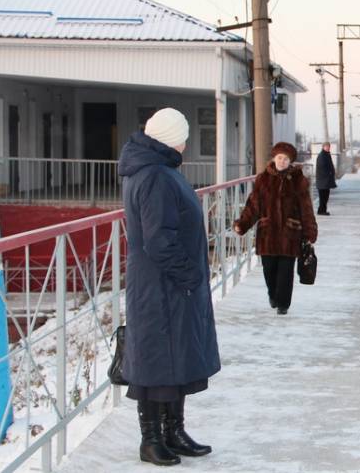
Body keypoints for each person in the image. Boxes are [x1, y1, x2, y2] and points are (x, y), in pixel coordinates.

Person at [118, 108, 220, 466]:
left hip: (165, 284)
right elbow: (159, 240)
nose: (187, 141)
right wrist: (190, 276)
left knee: (174, 358)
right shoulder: (156, 176)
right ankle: (151, 440)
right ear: (171, 137)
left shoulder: (155, 171)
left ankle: (174, 432)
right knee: (156, 362)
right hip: (162, 285)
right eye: (184, 134)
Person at [233, 142, 318, 315]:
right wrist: (242, 224)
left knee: (286, 273)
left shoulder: (298, 180)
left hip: (290, 233)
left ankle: (283, 305)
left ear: (290, 161)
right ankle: (273, 295)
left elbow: (306, 207)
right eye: (280, 158)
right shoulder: (263, 179)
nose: (282, 161)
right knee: (269, 270)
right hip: (268, 234)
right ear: (274, 158)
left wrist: (310, 231)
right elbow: (253, 206)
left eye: (286, 159)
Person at [315, 142, 337, 216]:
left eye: (328, 146)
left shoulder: (327, 154)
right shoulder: (322, 155)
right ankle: (321, 211)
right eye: (326, 146)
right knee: (323, 197)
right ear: (323, 147)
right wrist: (329, 173)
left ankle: (322, 210)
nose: (328, 148)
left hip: (325, 181)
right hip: (322, 180)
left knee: (325, 196)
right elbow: (322, 167)